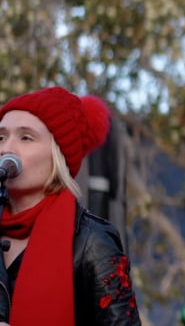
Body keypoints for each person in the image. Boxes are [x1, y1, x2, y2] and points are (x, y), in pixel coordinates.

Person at [0, 86, 141, 325]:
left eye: (26, 137)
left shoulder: (93, 242)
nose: (6, 149)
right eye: (0, 137)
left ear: (58, 156)